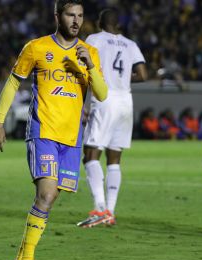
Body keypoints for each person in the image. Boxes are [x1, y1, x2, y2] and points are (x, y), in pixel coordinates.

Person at [0, 1, 107, 260]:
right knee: (46, 193)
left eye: (80, 16)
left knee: (50, 198)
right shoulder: (37, 47)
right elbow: (13, 82)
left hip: (71, 138)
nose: (76, 21)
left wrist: (89, 66)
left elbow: (102, 93)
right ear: (57, 16)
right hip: (43, 130)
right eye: (70, 15)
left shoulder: (90, 52)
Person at [77, 8, 147, 228]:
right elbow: (143, 75)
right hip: (126, 100)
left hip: (105, 98)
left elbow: (83, 69)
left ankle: (100, 208)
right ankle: (111, 211)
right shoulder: (131, 44)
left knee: (90, 155)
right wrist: (124, 78)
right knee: (114, 158)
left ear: (100, 22)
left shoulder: (94, 40)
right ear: (118, 25)